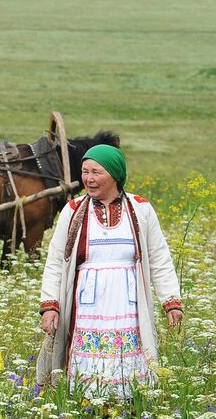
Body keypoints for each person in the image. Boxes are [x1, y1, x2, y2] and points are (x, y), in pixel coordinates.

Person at [37, 144, 182, 395]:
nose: (89, 179)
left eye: (97, 172)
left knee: (128, 364)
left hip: (128, 303)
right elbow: (55, 262)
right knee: (87, 368)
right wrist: (50, 306)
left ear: (115, 175)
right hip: (87, 306)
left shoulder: (140, 208)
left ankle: (129, 406)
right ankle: (85, 406)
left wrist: (171, 301)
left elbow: (159, 257)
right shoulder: (72, 211)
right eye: (85, 172)